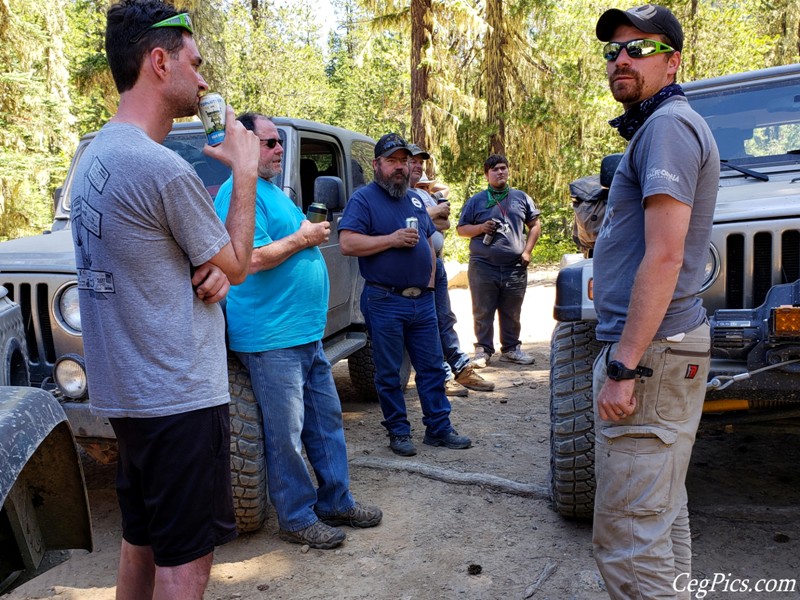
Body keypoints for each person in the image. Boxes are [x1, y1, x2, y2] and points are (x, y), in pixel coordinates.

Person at [69, 2, 260, 598]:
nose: (204, 81)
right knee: (186, 560)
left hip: (127, 397)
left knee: (142, 541)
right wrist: (246, 170)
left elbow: (160, 261)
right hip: (178, 396)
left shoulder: (95, 157)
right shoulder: (159, 169)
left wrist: (214, 271)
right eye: (195, 64)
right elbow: (238, 263)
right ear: (159, 61)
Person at [592, 5, 719, 598]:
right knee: (659, 513)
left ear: (672, 61)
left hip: (654, 355)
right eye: (614, 50)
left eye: (638, 48)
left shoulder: (669, 127)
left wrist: (624, 364)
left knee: (629, 536)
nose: (621, 59)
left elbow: (666, 256)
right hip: (664, 350)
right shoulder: (659, 126)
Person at [214, 112, 382, 550]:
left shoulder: (273, 192)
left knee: (325, 424)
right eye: (269, 143)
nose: (278, 149)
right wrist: (306, 239)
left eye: (278, 143)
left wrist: (305, 234)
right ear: (248, 146)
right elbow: (245, 258)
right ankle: (295, 516)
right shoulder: (237, 194)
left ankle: (336, 501)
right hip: (270, 338)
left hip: (305, 335)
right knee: (285, 433)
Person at [339, 133, 472, 457]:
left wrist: (428, 282)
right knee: (388, 372)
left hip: (422, 301)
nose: (399, 167)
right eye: (392, 161)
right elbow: (348, 243)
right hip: (385, 300)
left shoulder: (414, 198)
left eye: (404, 161)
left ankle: (438, 429)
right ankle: (398, 432)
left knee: (430, 367)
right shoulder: (363, 199)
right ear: (376, 165)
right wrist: (391, 239)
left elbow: (428, 239)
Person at [407, 144, 494, 397]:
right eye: (413, 161)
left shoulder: (422, 195)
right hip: (416, 268)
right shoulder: (397, 195)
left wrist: (429, 214)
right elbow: (414, 220)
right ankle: (442, 375)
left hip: (437, 263)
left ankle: (461, 368)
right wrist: (431, 214)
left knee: (445, 318)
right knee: (428, 323)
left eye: (421, 162)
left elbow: (444, 223)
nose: (418, 166)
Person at [456, 155, 541, 368]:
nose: (500, 172)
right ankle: (483, 351)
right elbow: (461, 229)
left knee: (512, 310)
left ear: (508, 171)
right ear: (486, 175)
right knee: (482, 310)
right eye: (494, 169)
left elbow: (535, 225)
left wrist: (527, 251)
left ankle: (511, 349)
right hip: (483, 265)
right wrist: (481, 228)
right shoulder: (476, 200)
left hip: (515, 266)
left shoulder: (520, 197)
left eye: (503, 168)